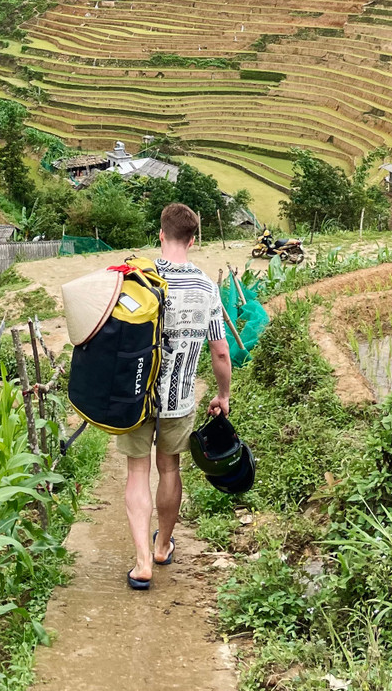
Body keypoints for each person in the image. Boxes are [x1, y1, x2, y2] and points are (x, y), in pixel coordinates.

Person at [121, 201, 231, 590]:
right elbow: (220, 351)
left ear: (161, 235)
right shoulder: (206, 287)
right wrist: (223, 395)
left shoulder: (139, 277)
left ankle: (141, 563)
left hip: (135, 396)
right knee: (169, 469)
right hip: (179, 398)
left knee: (137, 472)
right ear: (193, 240)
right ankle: (162, 546)